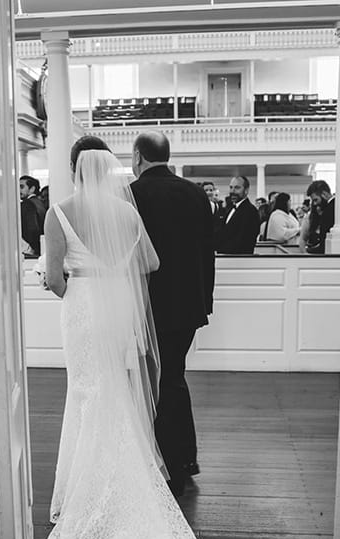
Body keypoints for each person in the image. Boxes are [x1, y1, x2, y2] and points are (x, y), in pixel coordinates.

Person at [31, 135, 220, 539]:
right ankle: (122, 475)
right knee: (114, 393)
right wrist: (114, 276)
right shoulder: (124, 211)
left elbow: (55, 280)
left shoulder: (58, 212)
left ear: (73, 169)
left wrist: (67, 277)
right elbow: (152, 266)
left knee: (86, 394)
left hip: (84, 313)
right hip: (117, 313)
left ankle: (82, 491)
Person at [130, 131, 215, 496]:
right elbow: (206, 252)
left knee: (153, 382)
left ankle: (164, 460)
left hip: (148, 305)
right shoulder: (196, 194)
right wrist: (204, 300)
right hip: (189, 304)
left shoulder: (132, 195)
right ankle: (183, 457)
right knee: (174, 376)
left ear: (137, 157)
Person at [214, 175, 260, 254]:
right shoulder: (230, 208)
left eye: (237, 188)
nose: (232, 191)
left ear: (246, 190)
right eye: (231, 187)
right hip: (226, 258)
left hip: (239, 260)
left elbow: (244, 241)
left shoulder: (251, 211)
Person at [301, 180, 335, 254]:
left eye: (316, 199)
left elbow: (323, 245)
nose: (315, 204)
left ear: (324, 194)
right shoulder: (335, 207)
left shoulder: (328, 211)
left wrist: (308, 251)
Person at [19, 175, 44, 255]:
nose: (18, 190)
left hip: (31, 250)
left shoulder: (27, 204)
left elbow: (32, 229)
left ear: (32, 189)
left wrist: (31, 248)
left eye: (21, 187)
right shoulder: (39, 203)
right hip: (41, 246)